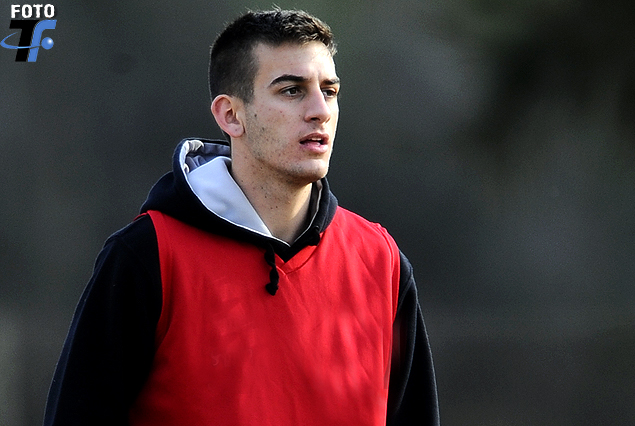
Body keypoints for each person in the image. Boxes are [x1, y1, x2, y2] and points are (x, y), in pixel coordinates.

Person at [43, 8, 440, 426]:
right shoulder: (147, 255)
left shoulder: (381, 261)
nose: (320, 110)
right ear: (231, 115)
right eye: (292, 90)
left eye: (329, 90)